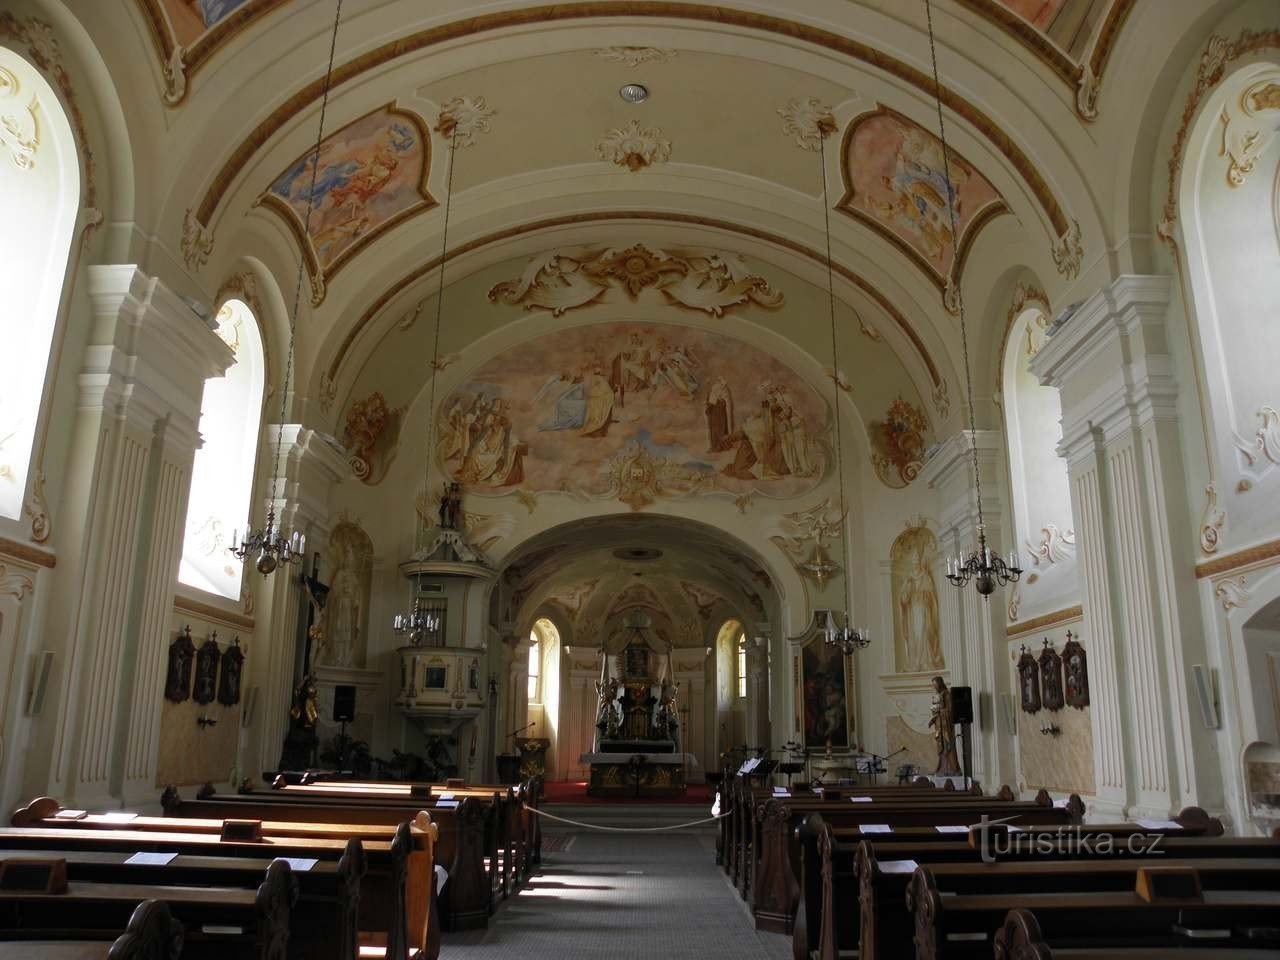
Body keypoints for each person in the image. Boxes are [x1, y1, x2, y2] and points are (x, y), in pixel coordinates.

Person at [929, 675, 961, 776]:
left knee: (948, 746)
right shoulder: (939, 695)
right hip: (940, 726)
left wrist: (938, 711)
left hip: (946, 727)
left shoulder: (947, 694)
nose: (935, 688)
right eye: (933, 686)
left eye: (936, 685)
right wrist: (934, 715)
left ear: (940, 684)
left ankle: (953, 768)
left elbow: (950, 711)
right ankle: (942, 768)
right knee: (941, 747)